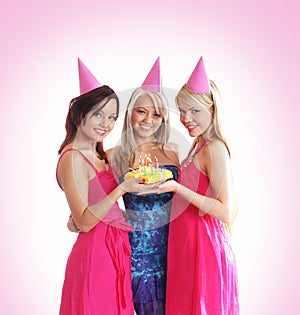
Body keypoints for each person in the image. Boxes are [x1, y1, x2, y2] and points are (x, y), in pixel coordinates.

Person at [57, 59, 153, 315]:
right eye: (98, 114)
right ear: (80, 114)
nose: (106, 124)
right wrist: (121, 190)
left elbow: (87, 209)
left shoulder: (100, 154)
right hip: (95, 254)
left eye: (111, 117)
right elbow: (86, 222)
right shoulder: (73, 158)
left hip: (116, 250)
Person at [156, 57, 239, 314]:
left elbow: (226, 210)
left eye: (194, 111)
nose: (186, 118)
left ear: (212, 110)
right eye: (182, 110)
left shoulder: (215, 149)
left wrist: (178, 188)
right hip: (187, 246)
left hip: (204, 250)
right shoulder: (198, 144)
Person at [109, 57, 180, 315]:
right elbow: (93, 198)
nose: (148, 119)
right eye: (142, 111)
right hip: (134, 251)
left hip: (171, 248)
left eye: (156, 114)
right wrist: (75, 216)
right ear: (130, 114)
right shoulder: (112, 156)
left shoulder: (174, 154)